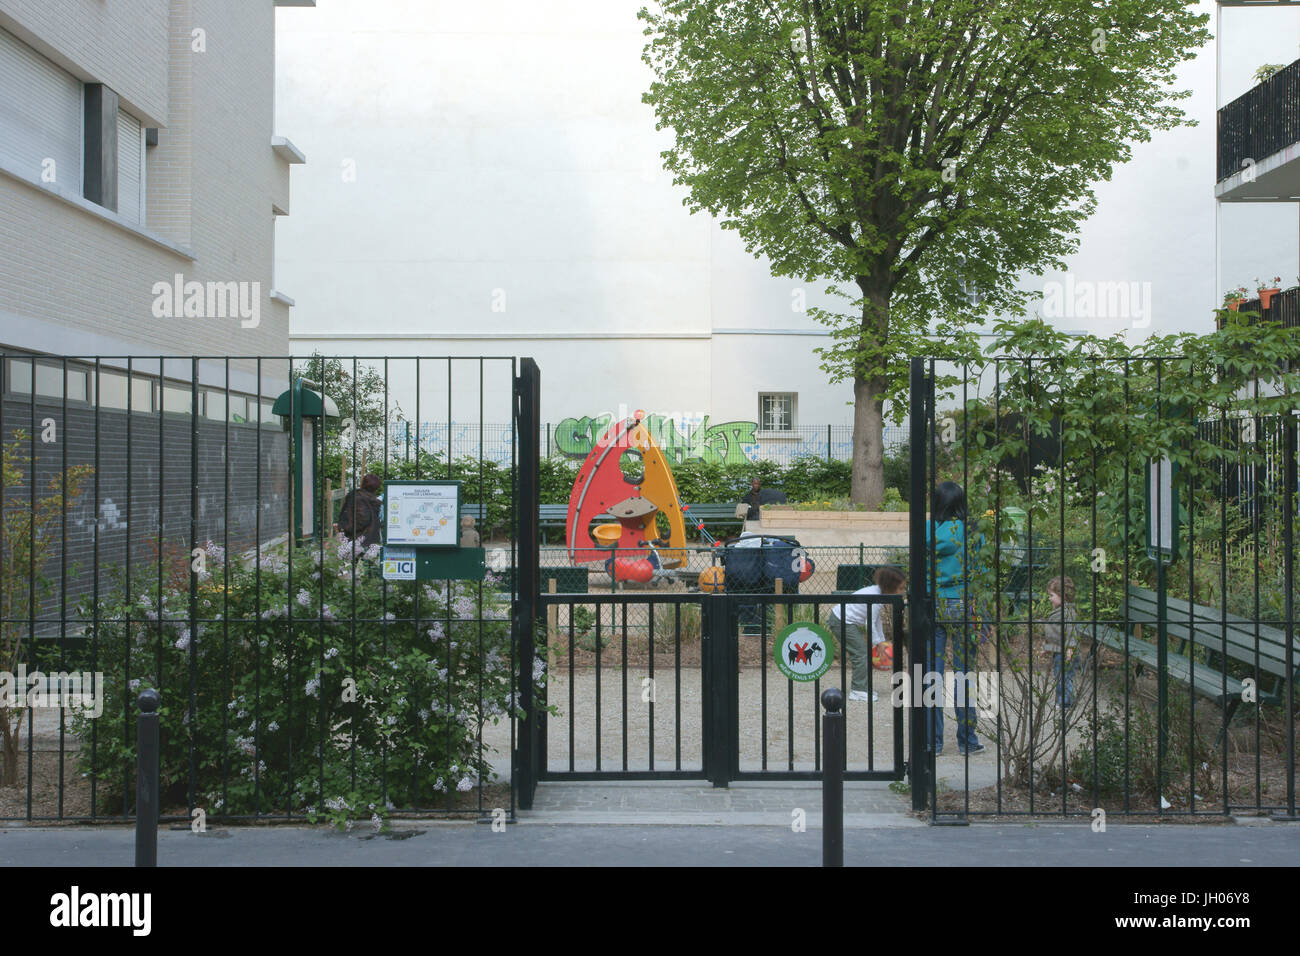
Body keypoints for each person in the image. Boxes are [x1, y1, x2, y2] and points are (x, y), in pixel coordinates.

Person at [925, 481, 986, 756]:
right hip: (964, 601)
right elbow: (983, 569)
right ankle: (968, 740)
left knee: (931, 674)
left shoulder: (928, 530)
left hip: (934, 601)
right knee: (965, 673)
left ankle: (932, 741)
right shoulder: (973, 531)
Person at [828, 567, 907, 703]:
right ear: (889, 587)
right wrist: (877, 642)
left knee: (861, 653)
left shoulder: (878, 593)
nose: (903, 592)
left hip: (845, 620)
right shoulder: (875, 597)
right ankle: (858, 691)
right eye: (900, 588)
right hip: (841, 621)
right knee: (861, 653)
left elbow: (876, 620)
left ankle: (861, 688)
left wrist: (881, 641)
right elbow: (869, 623)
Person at [1044, 575, 1084, 709]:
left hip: (1066, 652)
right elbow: (1055, 634)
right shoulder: (1060, 611)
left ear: (1063, 596)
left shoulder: (1068, 614)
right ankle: (1063, 699)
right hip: (1059, 650)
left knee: (1064, 676)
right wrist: (1048, 647)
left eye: (1052, 595)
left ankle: (1065, 702)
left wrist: (1070, 649)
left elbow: (1072, 632)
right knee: (1060, 676)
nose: (1049, 598)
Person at [338, 474, 383, 548]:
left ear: (363, 484)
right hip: (372, 541)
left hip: (356, 542)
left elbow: (361, 520)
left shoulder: (356, 498)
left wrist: (344, 528)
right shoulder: (373, 501)